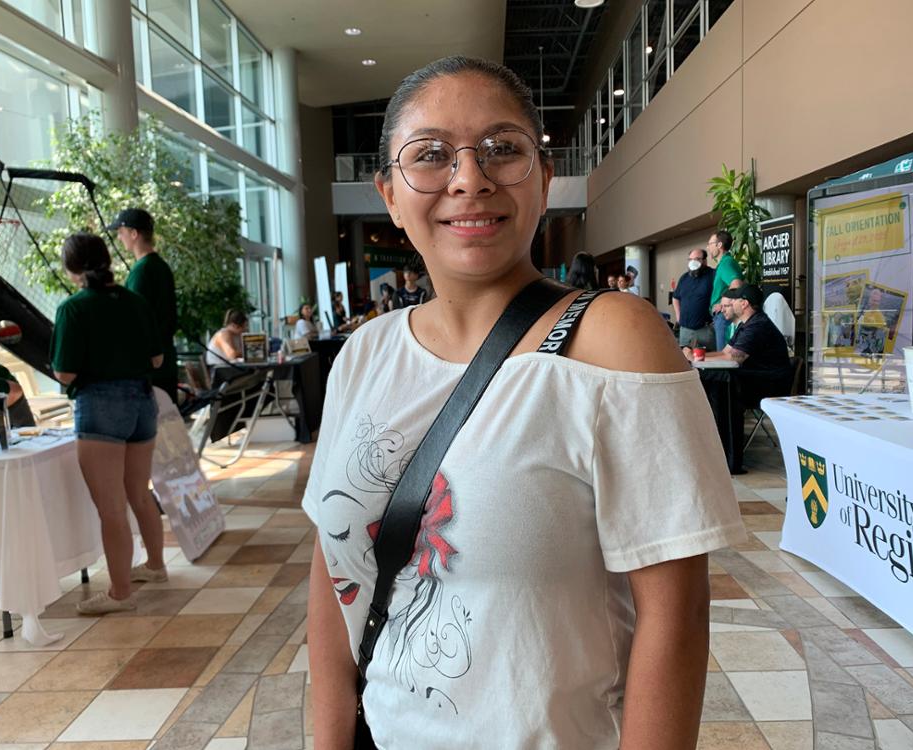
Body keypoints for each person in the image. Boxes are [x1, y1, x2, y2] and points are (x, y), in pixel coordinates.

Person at [303, 55, 744, 750]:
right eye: (431, 155)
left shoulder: (613, 342)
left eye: (501, 149)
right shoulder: (364, 354)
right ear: (390, 194)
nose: (469, 178)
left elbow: (677, 615)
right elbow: (333, 578)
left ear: (542, 178)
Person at [49, 233, 168, 614]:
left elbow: (65, 373)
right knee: (140, 491)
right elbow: (156, 360)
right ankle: (155, 566)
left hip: (100, 407)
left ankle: (120, 593)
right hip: (142, 402)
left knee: (112, 508)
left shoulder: (73, 309)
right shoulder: (135, 302)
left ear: (72, 269)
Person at [113, 208, 179, 404]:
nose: (119, 238)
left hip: (148, 365)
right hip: (165, 360)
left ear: (134, 234)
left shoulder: (142, 271)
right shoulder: (161, 266)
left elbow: (135, 319)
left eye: (121, 232)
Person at [672, 248, 715, 349]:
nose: (693, 262)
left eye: (696, 259)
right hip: (685, 330)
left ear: (705, 260)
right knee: (686, 361)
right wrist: (678, 317)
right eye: (690, 259)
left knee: (709, 359)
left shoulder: (713, 275)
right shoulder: (684, 277)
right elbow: (675, 298)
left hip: (705, 329)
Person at [707, 230, 743, 350]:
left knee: (723, 357)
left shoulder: (726, 263)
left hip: (724, 316)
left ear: (719, 245)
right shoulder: (726, 262)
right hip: (723, 316)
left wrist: (723, 304)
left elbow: (737, 284)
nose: (708, 248)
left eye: (710, 244)